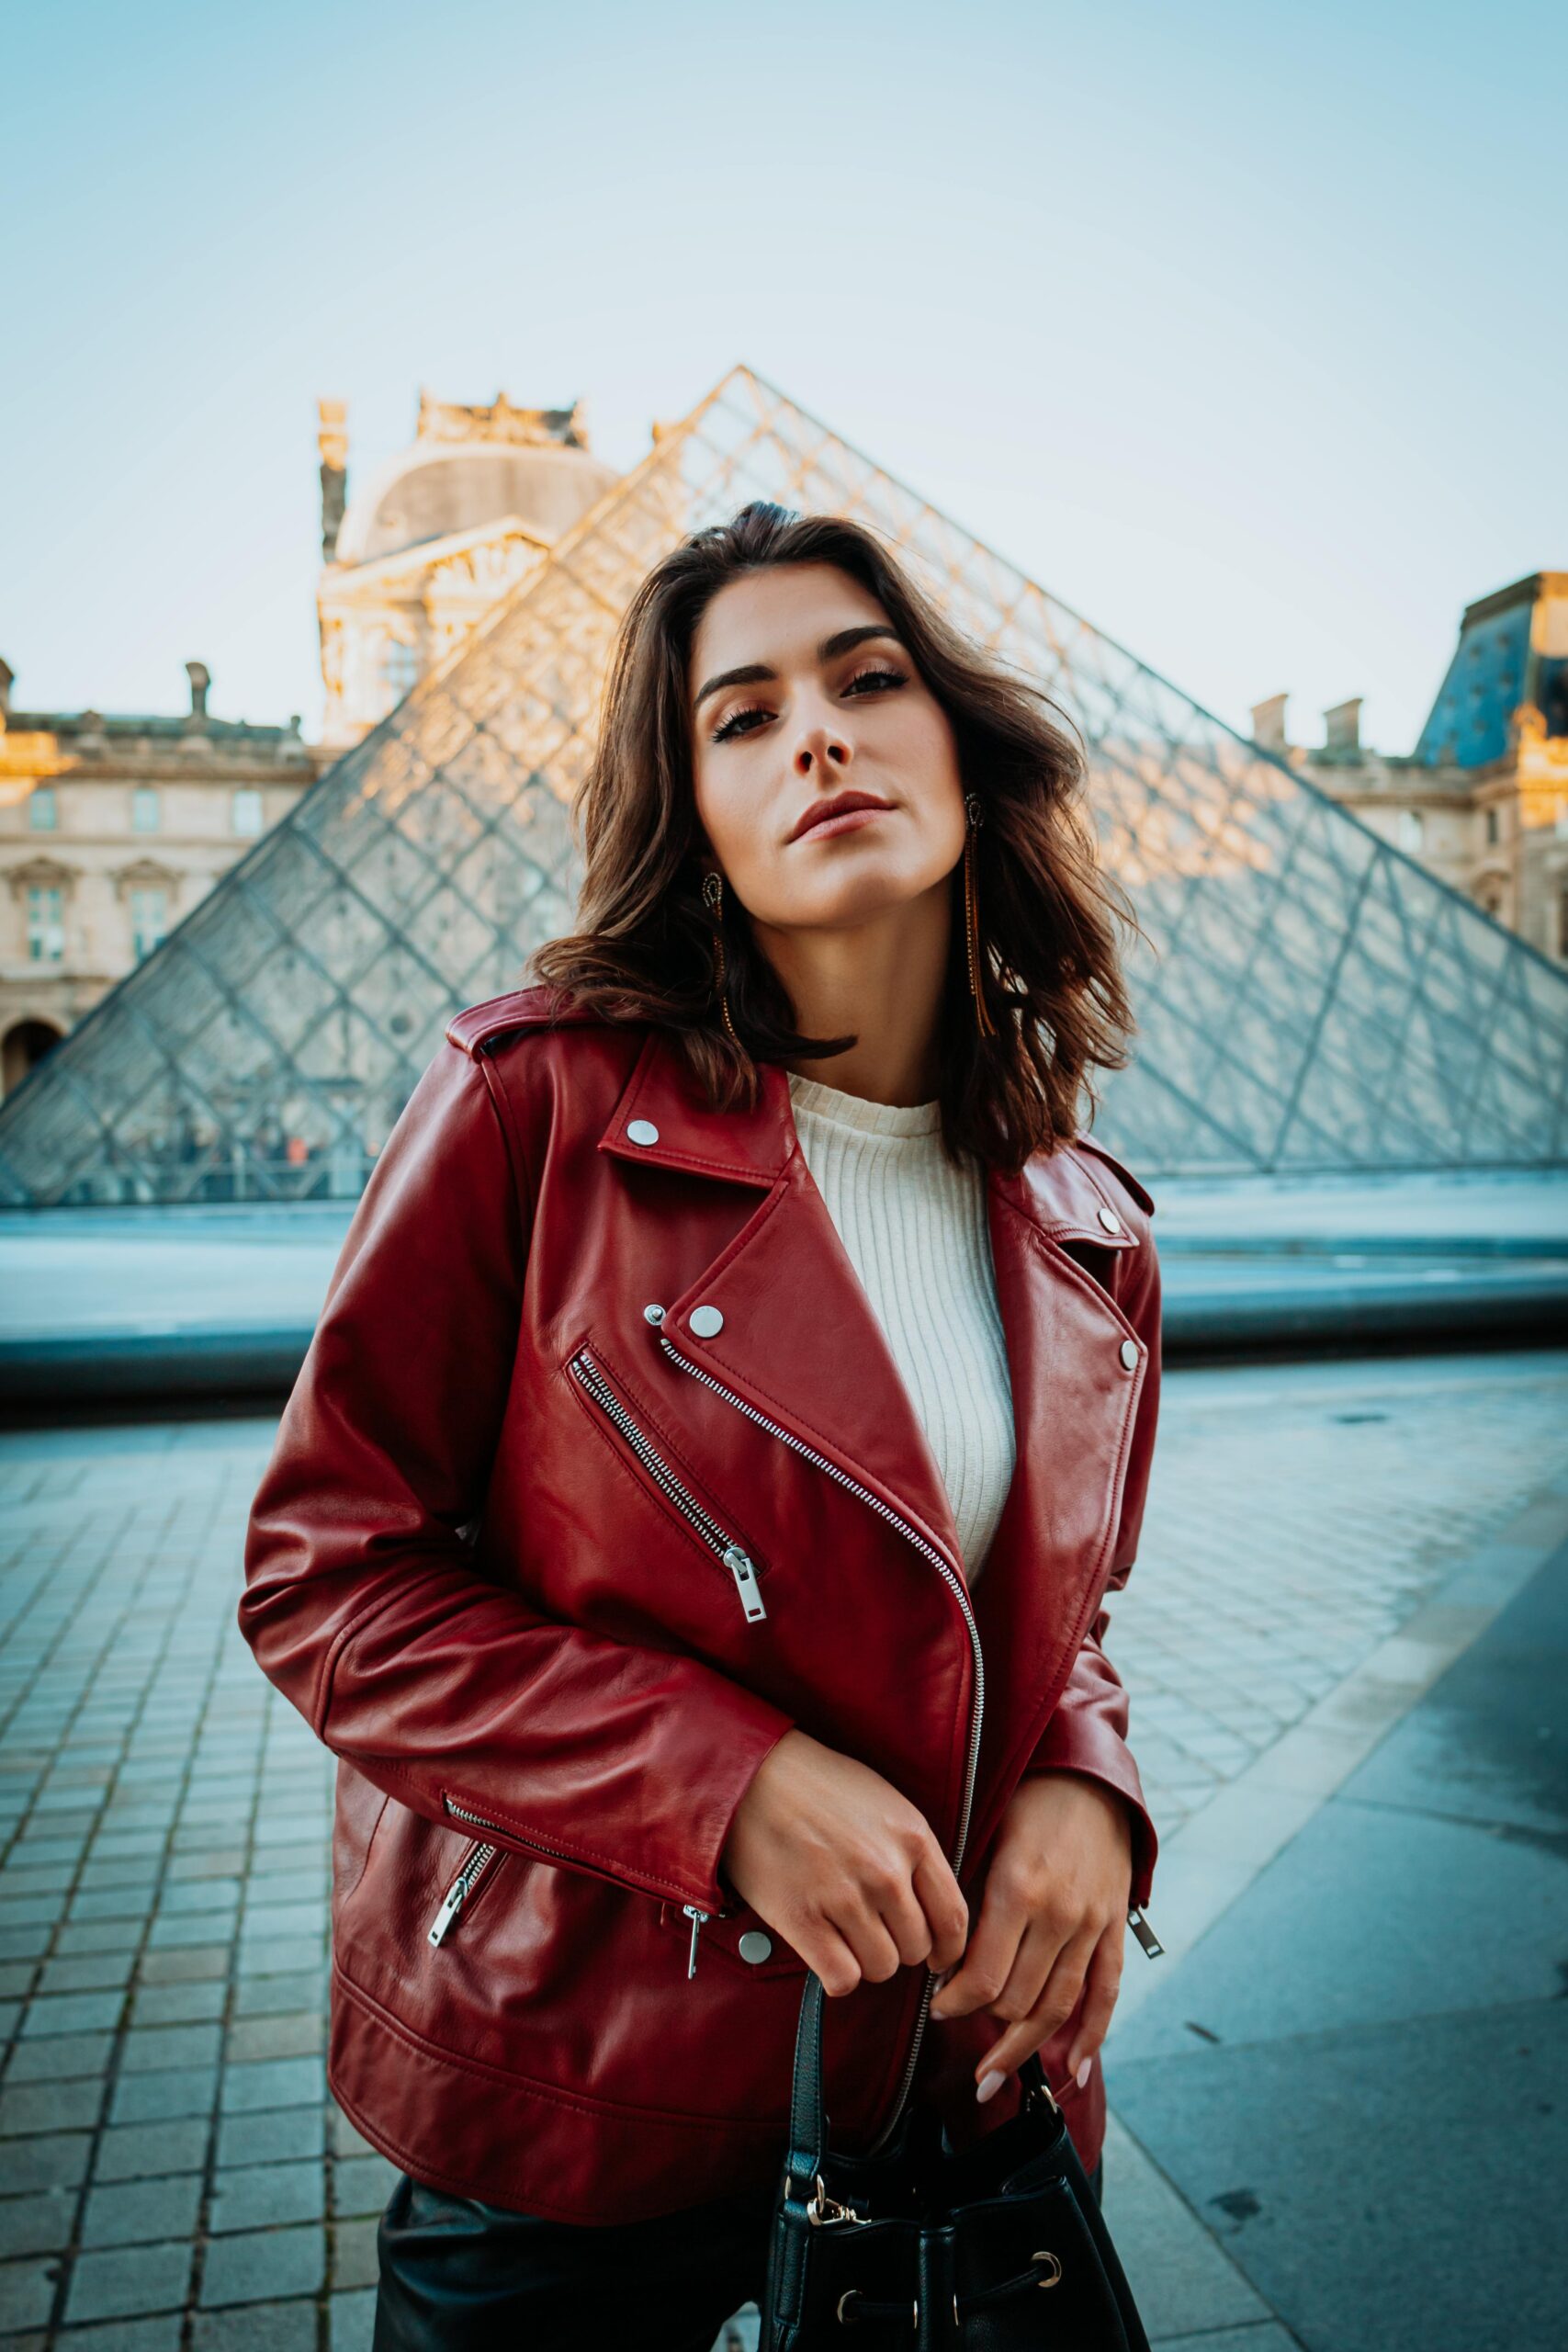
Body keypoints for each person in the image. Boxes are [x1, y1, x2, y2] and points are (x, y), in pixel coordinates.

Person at [240, 501, 1164, 2352]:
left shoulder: (1092, 1222)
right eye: (736, 717)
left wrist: (1089, 1785)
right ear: (696, 825)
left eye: (866, 676)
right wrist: (718, 1783)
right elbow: (327, 1584)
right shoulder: (534, 1100)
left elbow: (1051, 1619)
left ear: (961, 756)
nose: (811, 731)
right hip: (578, 2096)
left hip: (954, 2087)